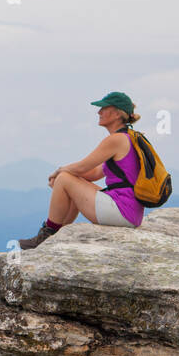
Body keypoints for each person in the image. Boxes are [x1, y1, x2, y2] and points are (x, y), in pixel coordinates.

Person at [18, 91, 145, 250]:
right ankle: (57, 235)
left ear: (116, 113)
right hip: (130, 211)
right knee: (71, 180)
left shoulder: (116, 140)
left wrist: (59, 174)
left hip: (122, 211)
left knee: (65, 178)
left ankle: (46, 235)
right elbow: (93, 173)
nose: (99, 112)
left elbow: (83, 167)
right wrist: (65, 181)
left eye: (103, 108)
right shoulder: (129, 137)